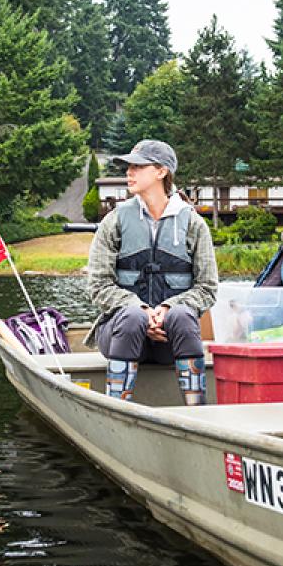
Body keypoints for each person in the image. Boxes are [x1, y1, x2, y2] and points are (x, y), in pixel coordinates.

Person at [85, 139, 218, 405]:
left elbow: (207, 288)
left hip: (170, 339)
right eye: (128, 167)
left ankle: (198, 413)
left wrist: (167, 309)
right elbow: (98, 286)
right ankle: (117, 409)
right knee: (133, 316)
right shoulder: (114, 221)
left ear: (161, 171)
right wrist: (144, 312)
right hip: (120, 333)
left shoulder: (193, 224)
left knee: (182, 315)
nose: (129, 172)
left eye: (138, 166)